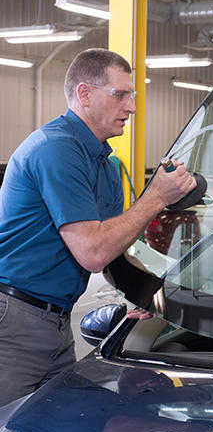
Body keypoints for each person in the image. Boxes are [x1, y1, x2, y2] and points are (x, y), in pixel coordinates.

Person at [0, 48, 196, 407]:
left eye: (132, 95)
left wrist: (144, 298)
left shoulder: (105, 164)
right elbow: (92, 252)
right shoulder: (56, 150)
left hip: (56, 324)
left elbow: (113, 249)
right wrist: (155, 197)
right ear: (85, 94)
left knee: (52, 424)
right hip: (15, 322)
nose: (132, 107)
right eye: (120, 94)